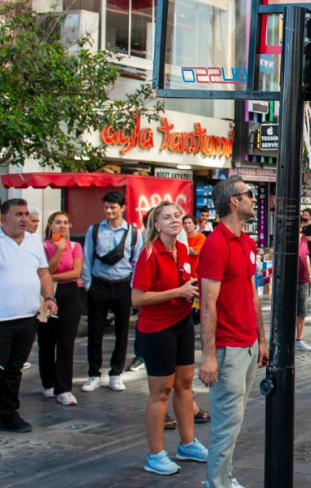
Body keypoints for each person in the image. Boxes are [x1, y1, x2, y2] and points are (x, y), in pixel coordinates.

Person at [0, 199, 58, 445]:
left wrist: (49, 297)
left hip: (27, 317)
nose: (24, 219)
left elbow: (43, 272)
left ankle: (9, 415)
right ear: (3, 218)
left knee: (14, 371)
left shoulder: (33, 242)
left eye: (27, 214)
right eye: (18, 214)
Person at [197, 177, 266, 488]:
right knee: (226, 423)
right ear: (234, 202)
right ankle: (217, 483)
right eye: (249, 194)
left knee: (235, 420)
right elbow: (207, 305)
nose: (254, 199)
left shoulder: (247, 243)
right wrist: (209, 357)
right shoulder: (215, 245)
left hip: (249, 344)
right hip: (227, 348)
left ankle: (224, 477)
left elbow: (253, 296)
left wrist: (261, 340)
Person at [131, 202, 207, 475]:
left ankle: (187, 444)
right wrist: (178, 291)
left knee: (185, 384)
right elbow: (137, 298)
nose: (175, 220)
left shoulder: (183, 250)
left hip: (182, 324)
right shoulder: (149, 254)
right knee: (161, 390)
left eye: (177, 215)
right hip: (156, 330)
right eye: (167, 217)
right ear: (157, 225)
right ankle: (155, 455)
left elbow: (188, 284)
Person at [81, 190, 144, 393]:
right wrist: (89, 284)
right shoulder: (95, 230)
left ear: (122, 208)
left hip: (123, 284)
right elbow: (87, 258)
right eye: (106, 207)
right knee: (95, 332)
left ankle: (116, 373)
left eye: (113, 207)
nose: (109, 211)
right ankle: (93, 373)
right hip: (99, 283)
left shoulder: (134, 233)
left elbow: (138, 261)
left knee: (122, 332)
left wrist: (133, 286)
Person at [38, 211, 84, 406]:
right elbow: (47, 270)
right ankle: (48, 382)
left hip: (70, 294)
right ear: (50, 226)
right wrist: (58, 251)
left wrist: (49, 276)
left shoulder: (75, 246)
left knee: (66, 343)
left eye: (66, 222)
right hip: (48, 294)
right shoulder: (43, 246)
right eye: (58, 222)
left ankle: (64, 388)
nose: (62, 226)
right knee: (47, 341)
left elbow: (75, 272)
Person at [295, 227, 311, 352]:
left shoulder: (302, 237)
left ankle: (299, 339)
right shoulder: (287, 237)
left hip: (303, 279)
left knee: (302, 311)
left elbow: (306, 257)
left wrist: (310, 275)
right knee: (289, 311)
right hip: (290, 280)